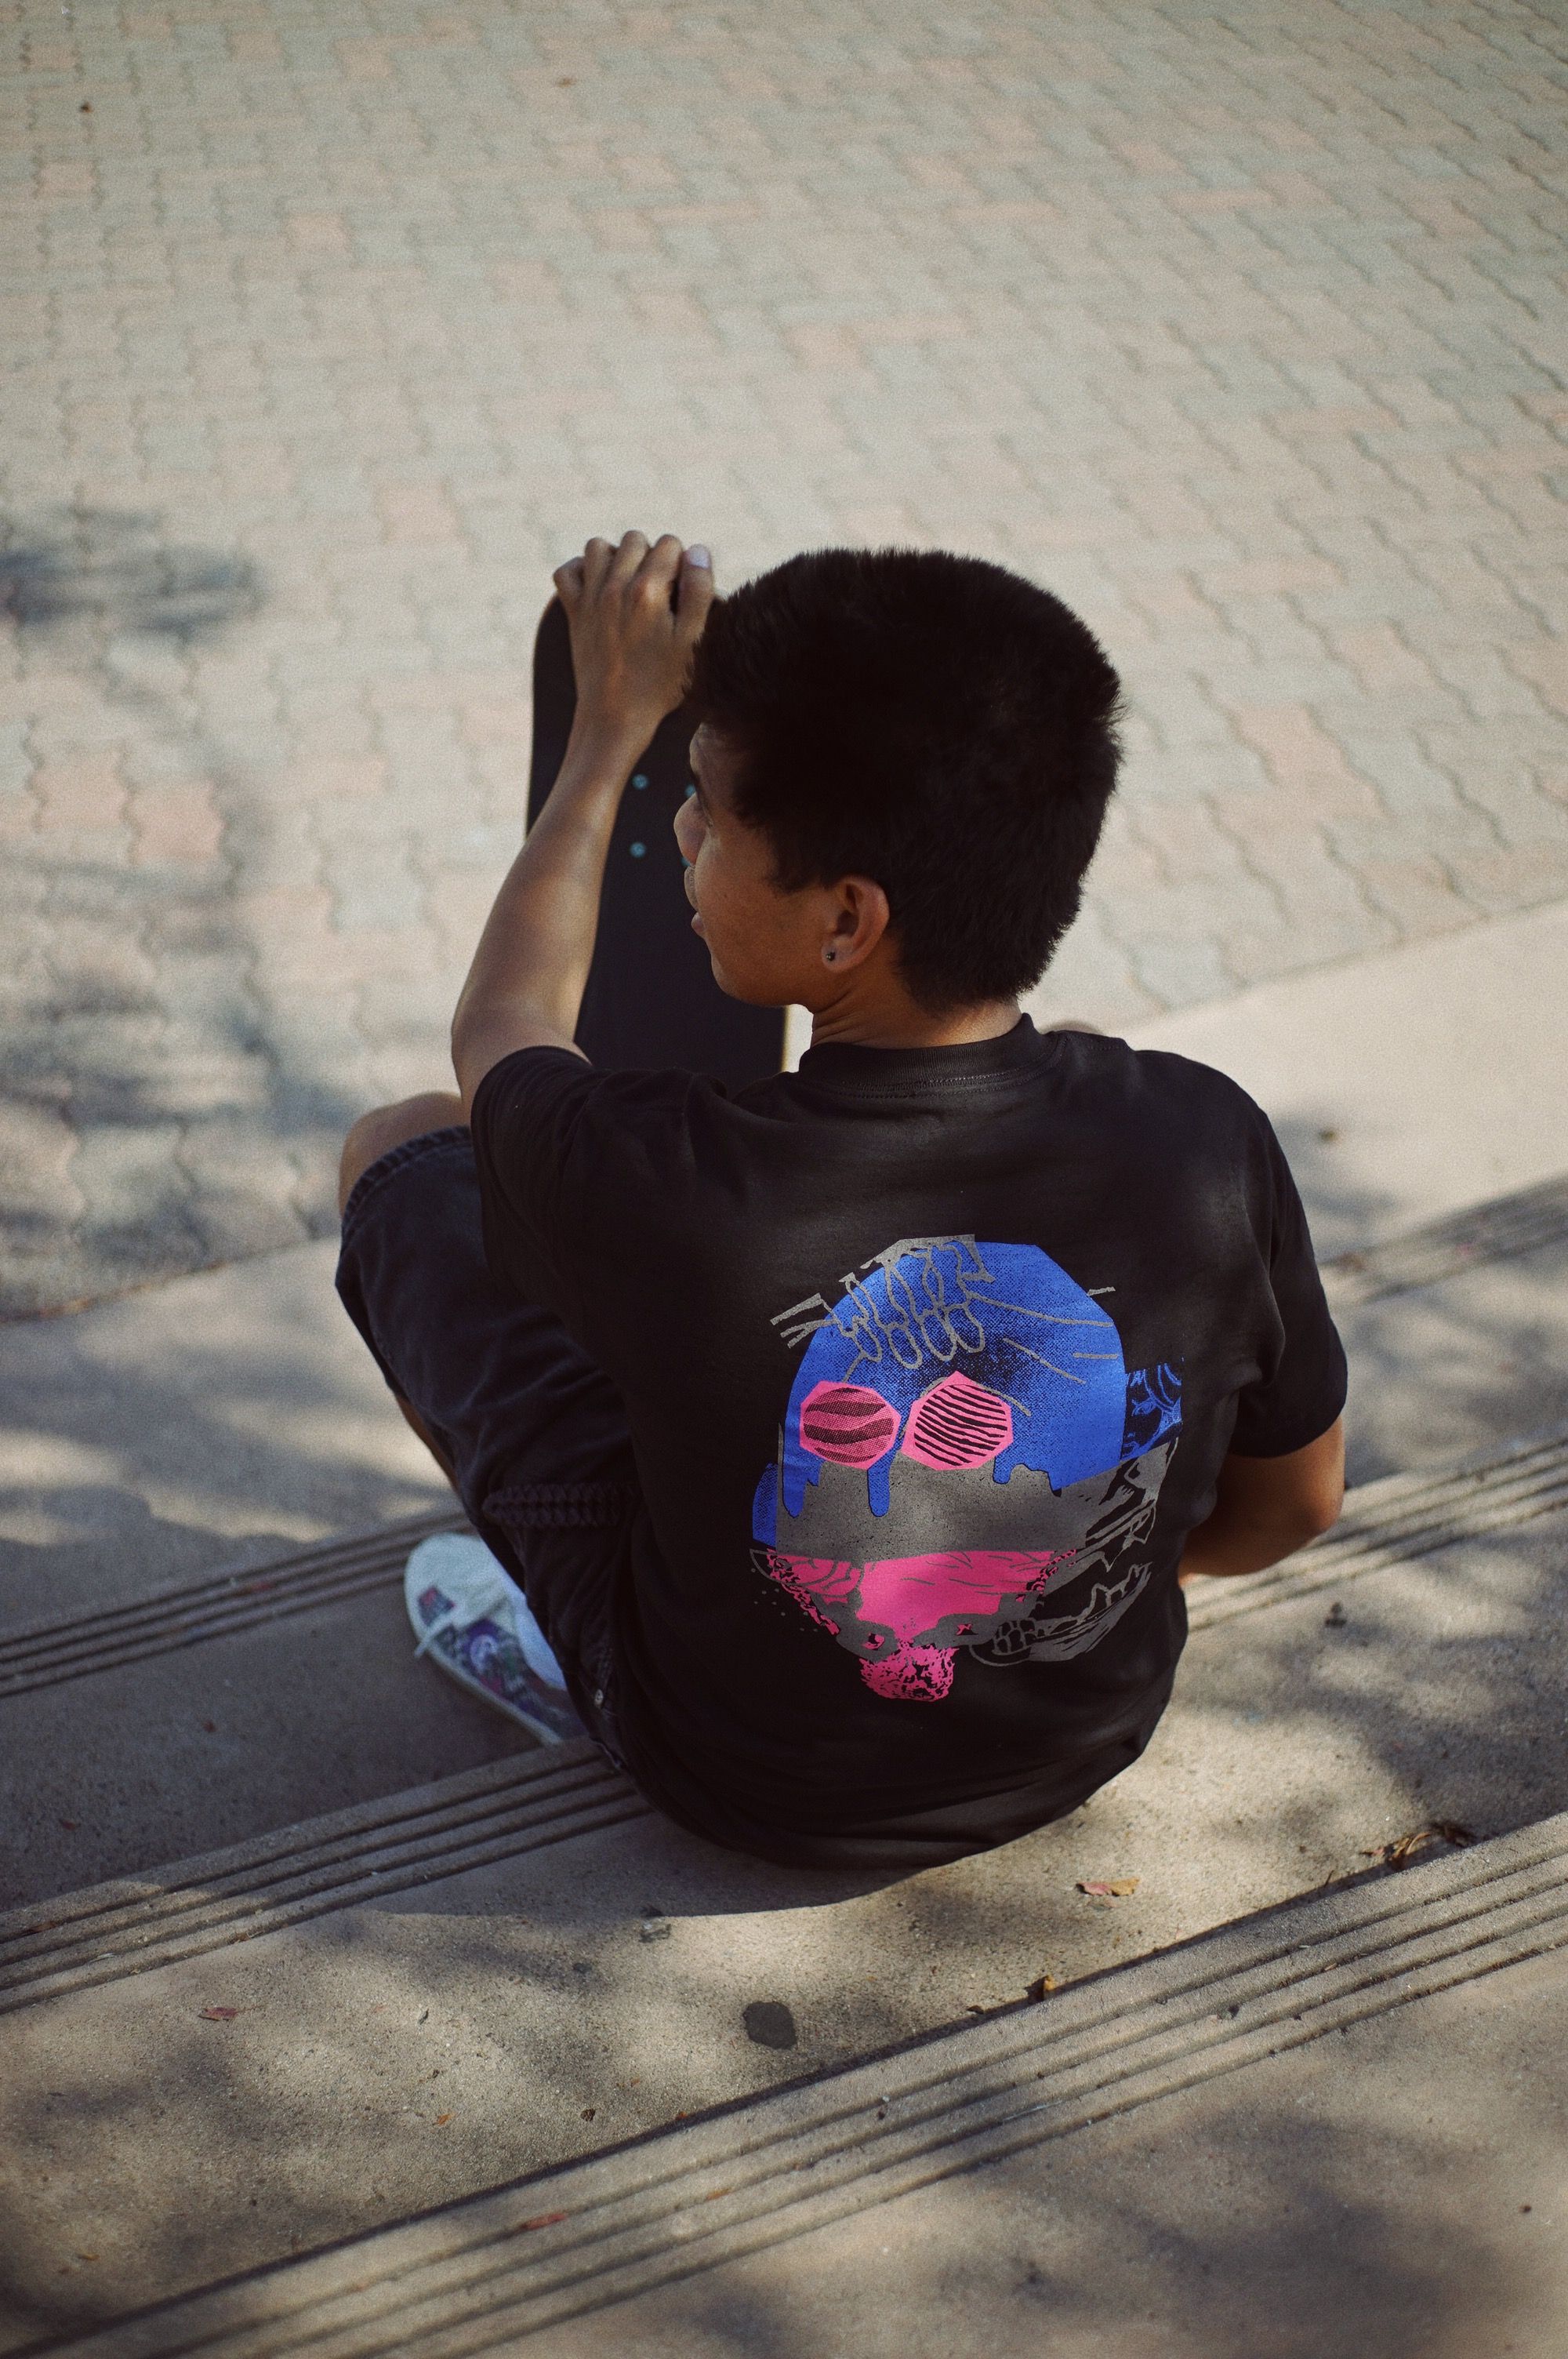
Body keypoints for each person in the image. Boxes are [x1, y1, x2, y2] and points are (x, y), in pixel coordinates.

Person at [336, 533, 1345, 1868]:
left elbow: (503, 1025)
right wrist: (1037, 1584)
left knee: (402, 1155)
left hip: (724, 1773)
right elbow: (1299, 1504)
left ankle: (552, 1646)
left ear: (846, 922)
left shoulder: (656, 1182)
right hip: (1084, 1739)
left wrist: (607, 738)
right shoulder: (1204, 1140)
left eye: (704, 812)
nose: (680, 833)